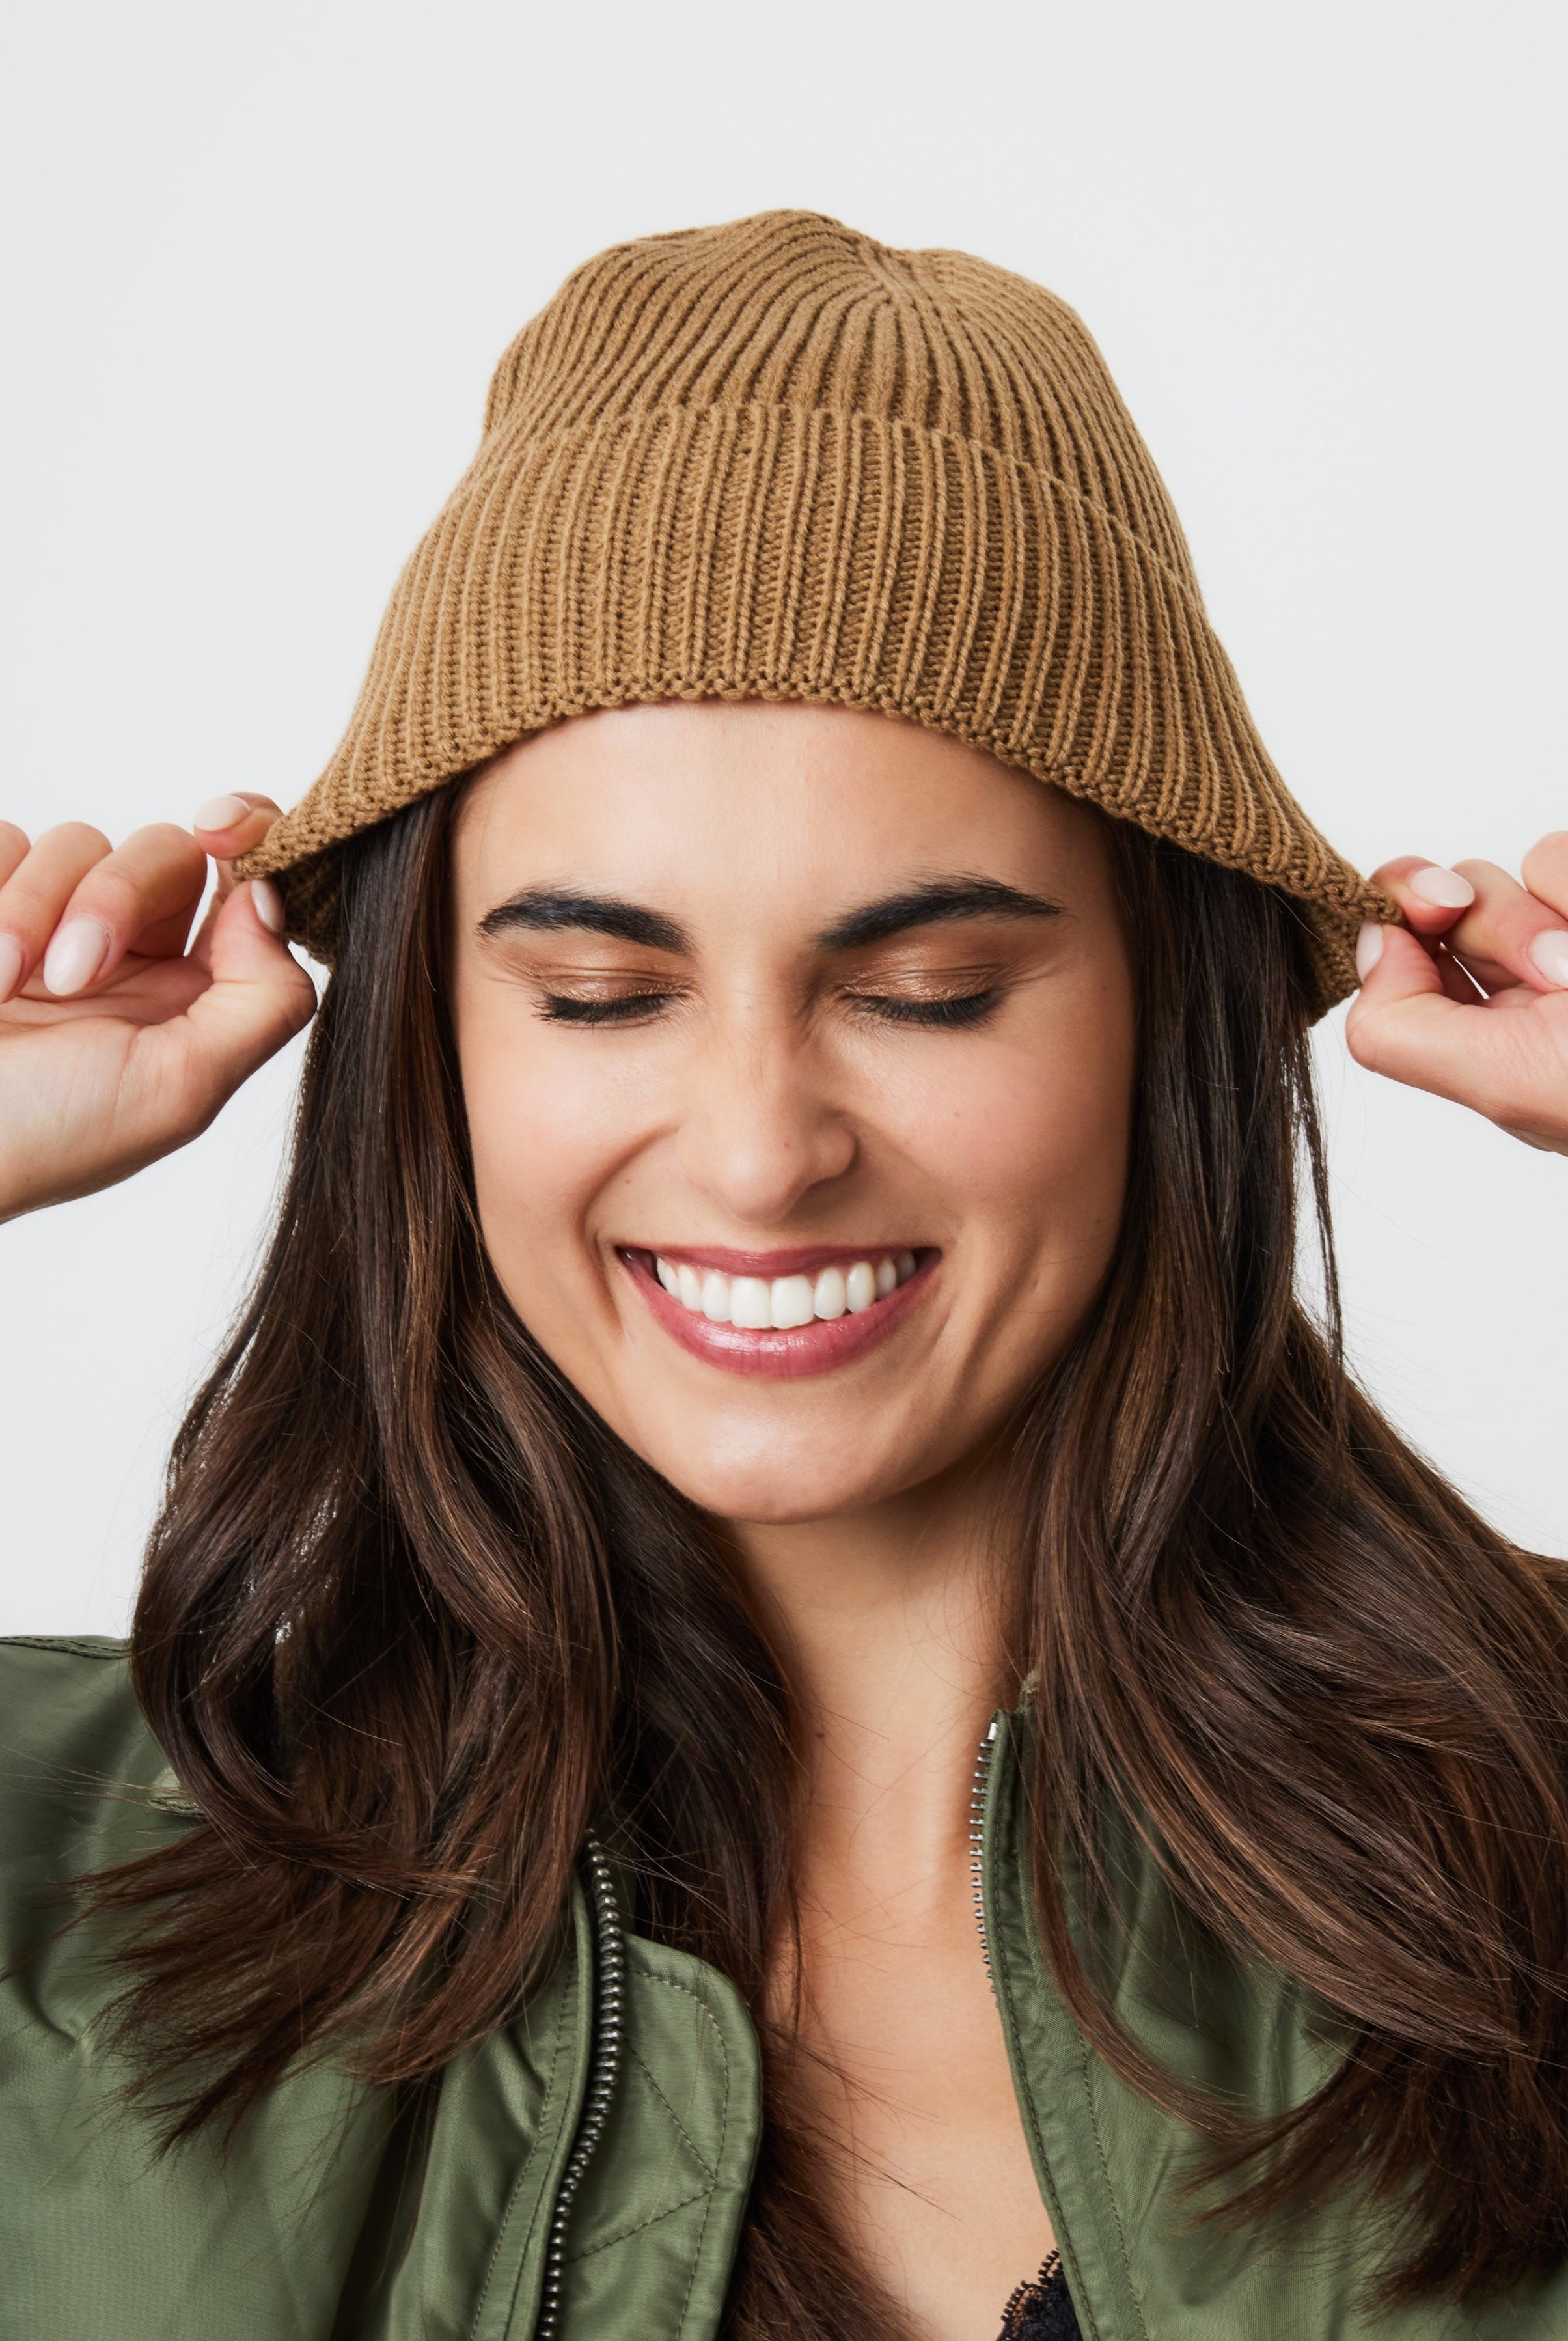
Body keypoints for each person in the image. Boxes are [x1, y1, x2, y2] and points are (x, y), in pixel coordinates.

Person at [1, 210, 1565, 2341]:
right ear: (432, 1047)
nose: (756, 1150)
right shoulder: (68, 1902)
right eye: (598, 993)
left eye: (925, 991)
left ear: (1161, 1015)